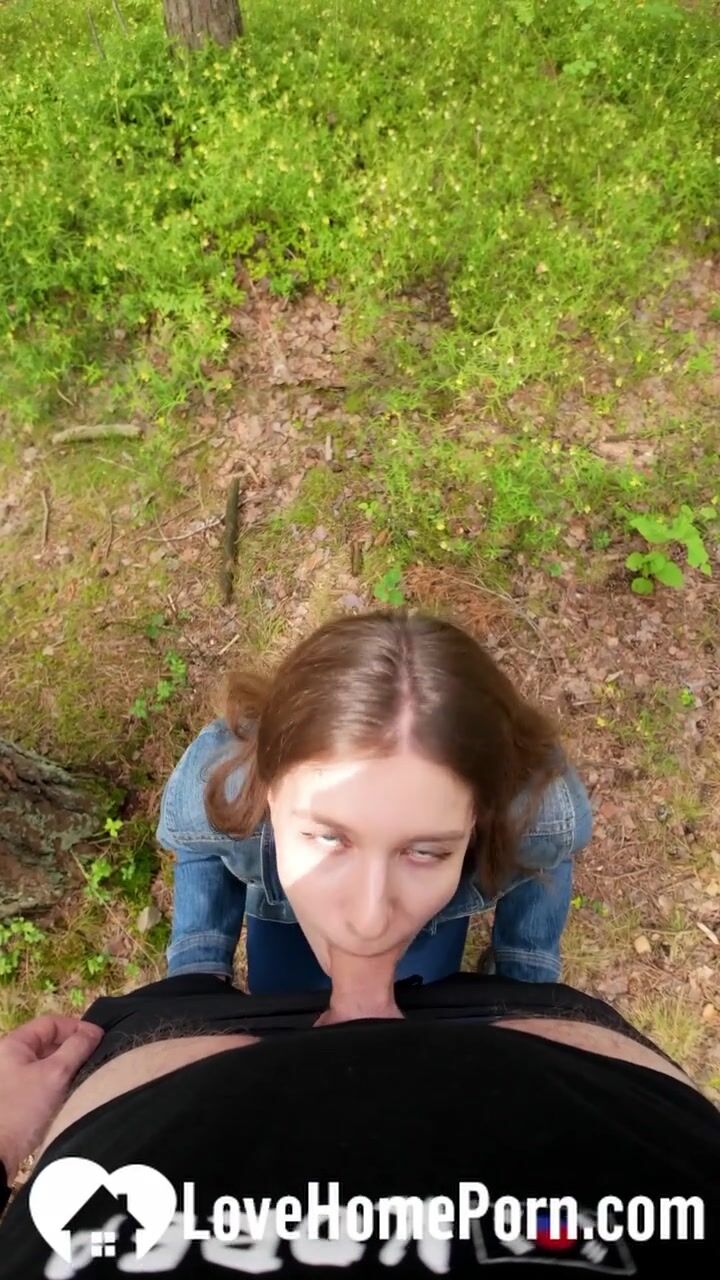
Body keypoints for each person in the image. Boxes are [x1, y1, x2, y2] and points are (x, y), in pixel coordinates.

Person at [0, 972, 719, 1276]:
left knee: (186, 982)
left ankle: (200, 939)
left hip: (168, 1054)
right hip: (543, 1040)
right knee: (518, 973)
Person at [157, 607, 593, 995]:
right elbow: (200, 845)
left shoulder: (540, 814)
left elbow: (547, 856)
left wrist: (523, 984)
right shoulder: (220, 782)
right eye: (329, 838)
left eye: (426, 851)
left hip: (431, 931)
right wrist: (198, 976)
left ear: (480, 816)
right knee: (280, 993)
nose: (370, 922)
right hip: (280, 920)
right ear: (269, 791)